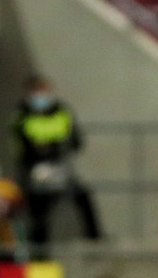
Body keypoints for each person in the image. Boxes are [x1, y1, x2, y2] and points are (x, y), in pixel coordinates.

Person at [13, 75, 101, 253]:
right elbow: (22, 146)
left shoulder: (62, 112)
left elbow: (76, 140)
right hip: (35, 170)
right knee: (38, 209)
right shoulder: (21, 115)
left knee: (82, 196)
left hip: (61, 167)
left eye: (44, 91)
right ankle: (39, 251)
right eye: (37, 92)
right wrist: (42, 150)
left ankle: (95, 238)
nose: (41, 96)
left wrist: (55, 147)